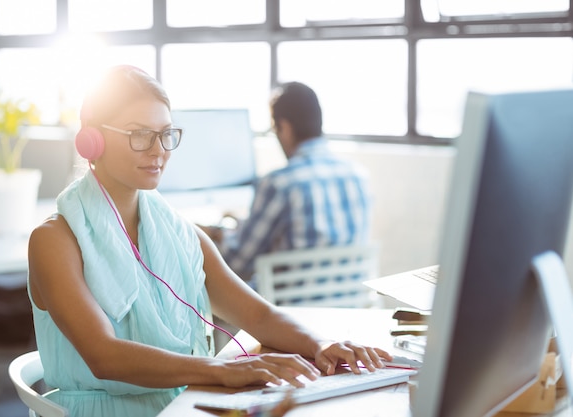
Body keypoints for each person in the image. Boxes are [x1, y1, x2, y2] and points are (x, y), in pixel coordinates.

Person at [27, 65, 391, 417]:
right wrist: (224, 371)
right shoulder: (55, 240)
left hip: (185, 403)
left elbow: (256, 313)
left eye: (166, 134)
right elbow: (103, 355)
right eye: (139, 134)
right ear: (93, 140)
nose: (159, 151)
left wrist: (322, 345)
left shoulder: (181, 233)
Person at [205, 82, 371, 282]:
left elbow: (237, 265)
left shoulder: (279, 183)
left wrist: (214, 234)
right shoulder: (357, 176)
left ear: (284, 127)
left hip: (286, 309)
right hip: (350, 305)